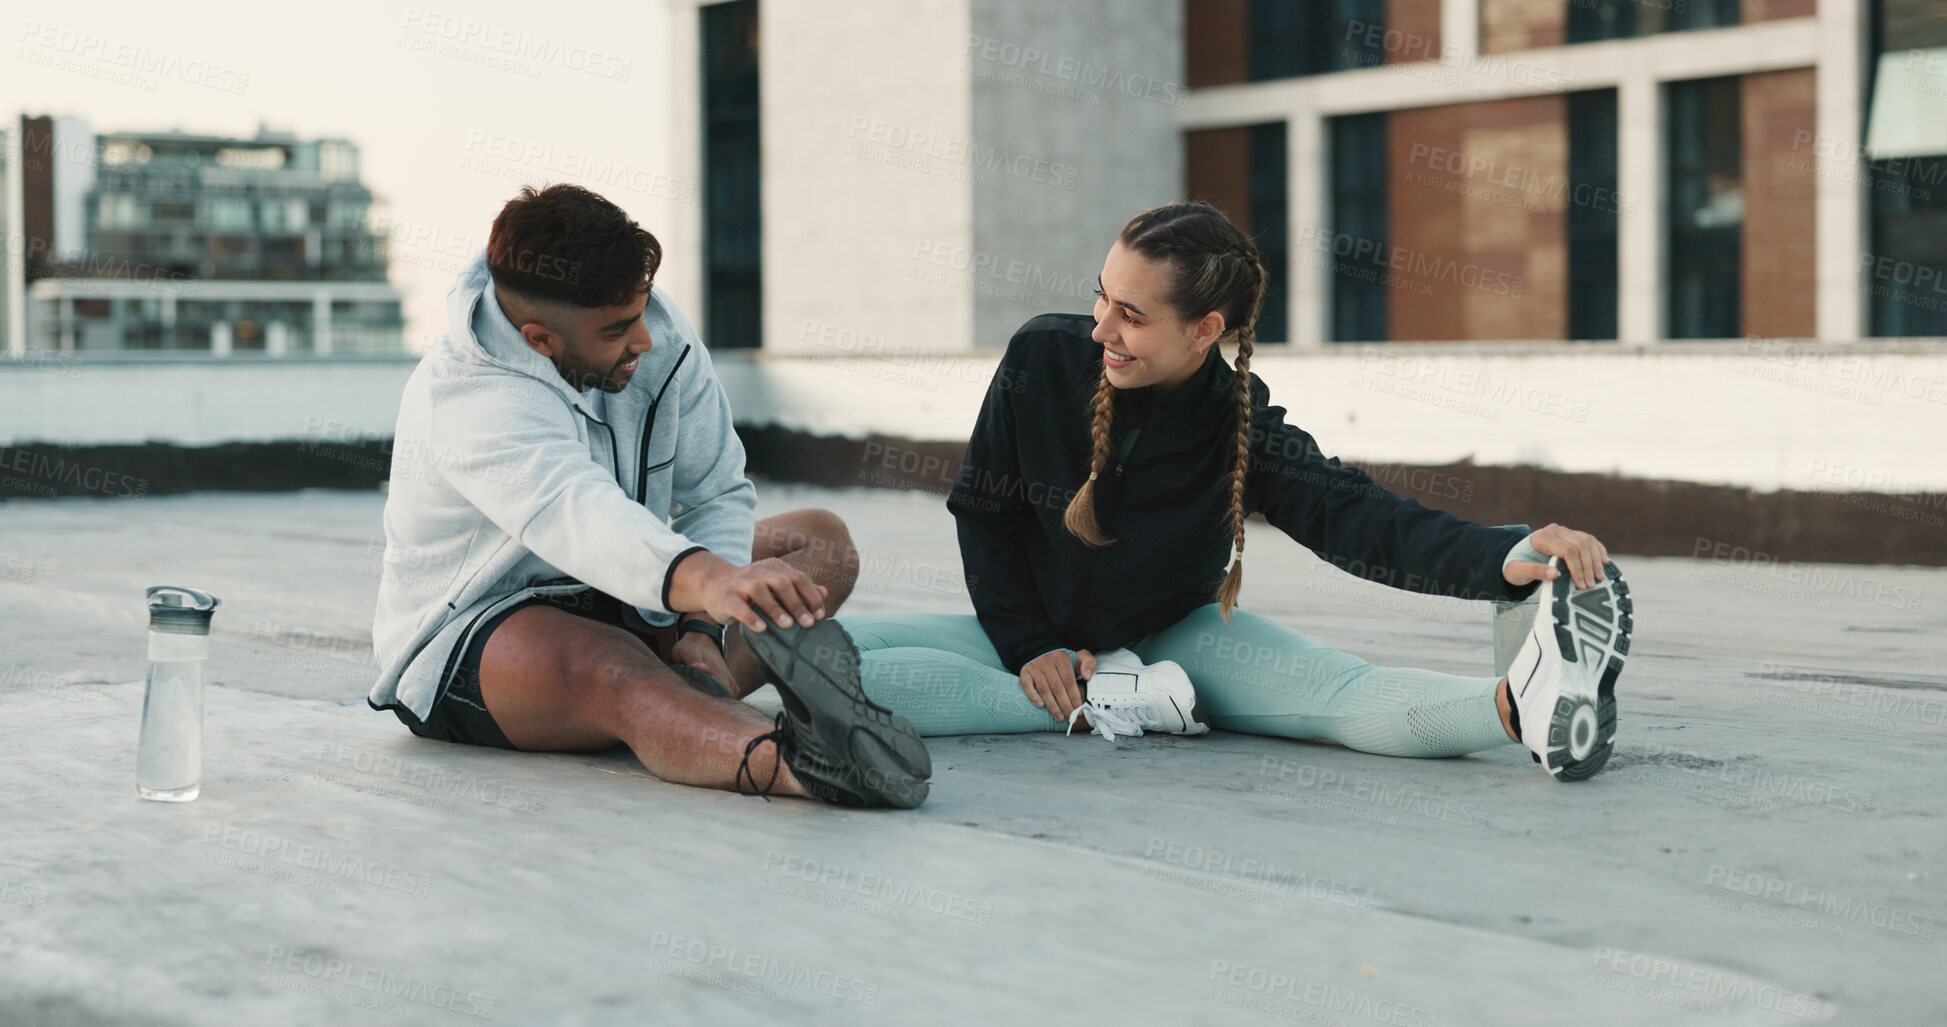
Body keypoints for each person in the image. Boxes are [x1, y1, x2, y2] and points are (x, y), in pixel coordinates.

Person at [840, 202, 1632, 780]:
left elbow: (1354, 516)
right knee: (826, 660)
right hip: (1026, 630)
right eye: (1099, 296)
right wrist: (1031, 647)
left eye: (1130, 315)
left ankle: (1525, 706)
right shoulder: (1040, 358)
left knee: (1340, 694)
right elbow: (984, 511)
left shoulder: (1239, 424)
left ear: (1203, 329)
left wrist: (1504, 554)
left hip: (1177, 640)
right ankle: (1127, 699)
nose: (1099, 329)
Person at [367, 184, 930, 808]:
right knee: (611, 666)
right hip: (481, 631)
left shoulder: (650, 326)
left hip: (633, 592)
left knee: (819, 542)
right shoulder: (470, 394)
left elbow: (716, 489)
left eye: (641, 312)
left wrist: (703, 625)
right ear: (539, 339)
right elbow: (577, 513)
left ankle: (688, 688)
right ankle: (802, 764)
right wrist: (708, 581)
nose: (646, 341)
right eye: (617, 331)